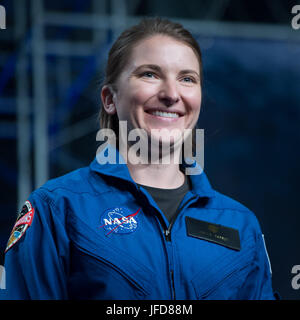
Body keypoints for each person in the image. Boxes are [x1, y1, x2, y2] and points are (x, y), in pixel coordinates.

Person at [3, 17, 275, 300]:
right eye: (150, 74)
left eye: (187, 79)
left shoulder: (241, 224)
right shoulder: (56, 208)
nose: (171, 94)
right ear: (110, 99)